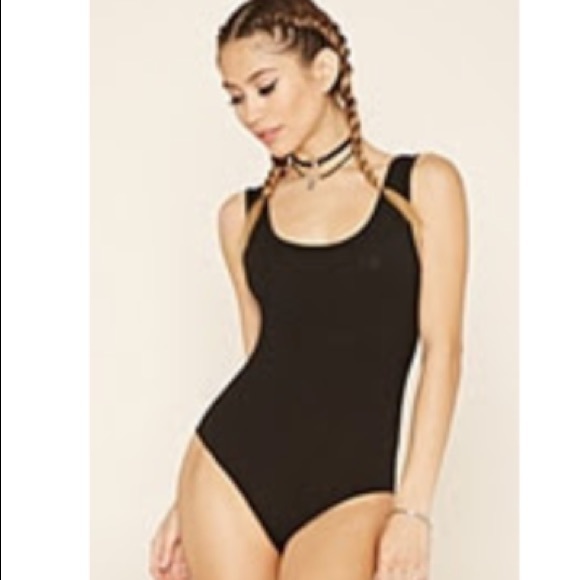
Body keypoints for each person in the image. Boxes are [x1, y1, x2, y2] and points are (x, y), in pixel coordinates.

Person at [149, 0, 469, 578]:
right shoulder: (241, 217)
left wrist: (413, 510)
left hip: (353, 488)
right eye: (235, 97)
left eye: (265, 87)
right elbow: (264, 356)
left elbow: (442, 351)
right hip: (231, 474)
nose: (250, 113)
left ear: (324, 70)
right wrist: (187, 506)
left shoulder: (422, 186)